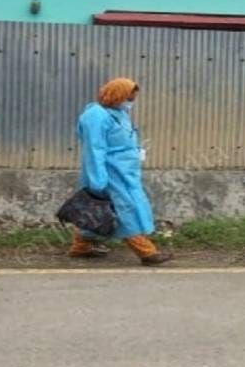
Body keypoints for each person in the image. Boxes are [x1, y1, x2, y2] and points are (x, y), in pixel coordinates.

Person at [69, 78, 171, 266]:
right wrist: (97, 180)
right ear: (116, 95)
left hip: (124, 173)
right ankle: (146, 252)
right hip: (109, 173)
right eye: (128, 98)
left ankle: (81, 246)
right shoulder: (96, 116)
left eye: (132, 98)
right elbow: (94, 149)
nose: (130, 102)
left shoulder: (118, 112)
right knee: (125, 210)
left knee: (98, 211)